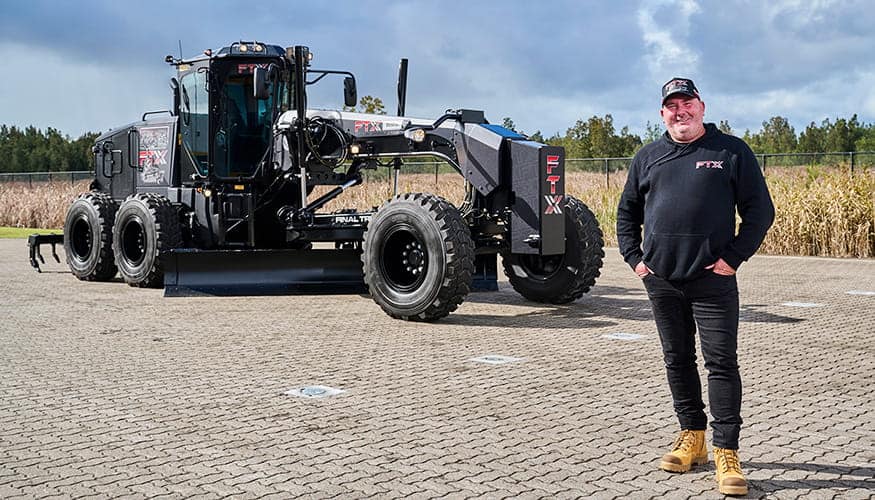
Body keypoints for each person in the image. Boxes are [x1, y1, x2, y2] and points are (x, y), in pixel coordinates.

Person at [616, 77, 775, 496]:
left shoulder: (730, 151)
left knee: (721, 363)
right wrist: (637, 262)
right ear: (662, 113)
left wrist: (733, 259)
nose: (680, 111)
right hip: (662, 282)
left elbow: (760, 212)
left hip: (713, 281)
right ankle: (693, 437)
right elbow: (626, 214)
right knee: (677, 360)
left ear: (702, 107)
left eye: (687, 103)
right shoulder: (648, 156)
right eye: (672, 106)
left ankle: (726, 449)